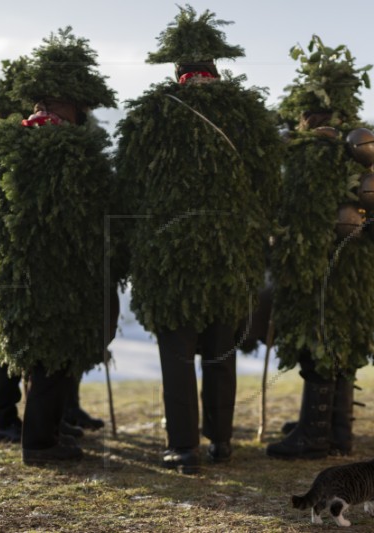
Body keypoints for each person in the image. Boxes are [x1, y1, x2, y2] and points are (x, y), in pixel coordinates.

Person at [115, 5, 283, 474]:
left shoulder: (152, 113)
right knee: (220, 352)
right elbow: (269, 186)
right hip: (232, 261)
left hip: (169, 262)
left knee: (176, 357)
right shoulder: (248, 115)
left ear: (177, 69)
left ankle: (183, 447)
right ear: (216, 65)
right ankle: (222, 441)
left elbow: (127, 189)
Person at [0, 28, 120, 465]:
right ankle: (39, 444)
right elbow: (89, 219)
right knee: (49, 359)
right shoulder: (71, 154)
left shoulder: (7, 149)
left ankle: (44, 433)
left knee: (39, 358)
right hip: (57, 275)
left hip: (13, 274)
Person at [265, 36, 374, 459]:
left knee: (317, 339)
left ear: (309, 113)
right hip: (358, 268)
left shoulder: (317, 151)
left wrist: (288, 263)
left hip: (318, 265)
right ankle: (337, 431)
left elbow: (302, 214)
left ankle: (313, 437)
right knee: (344, 338)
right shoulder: (365, 149)